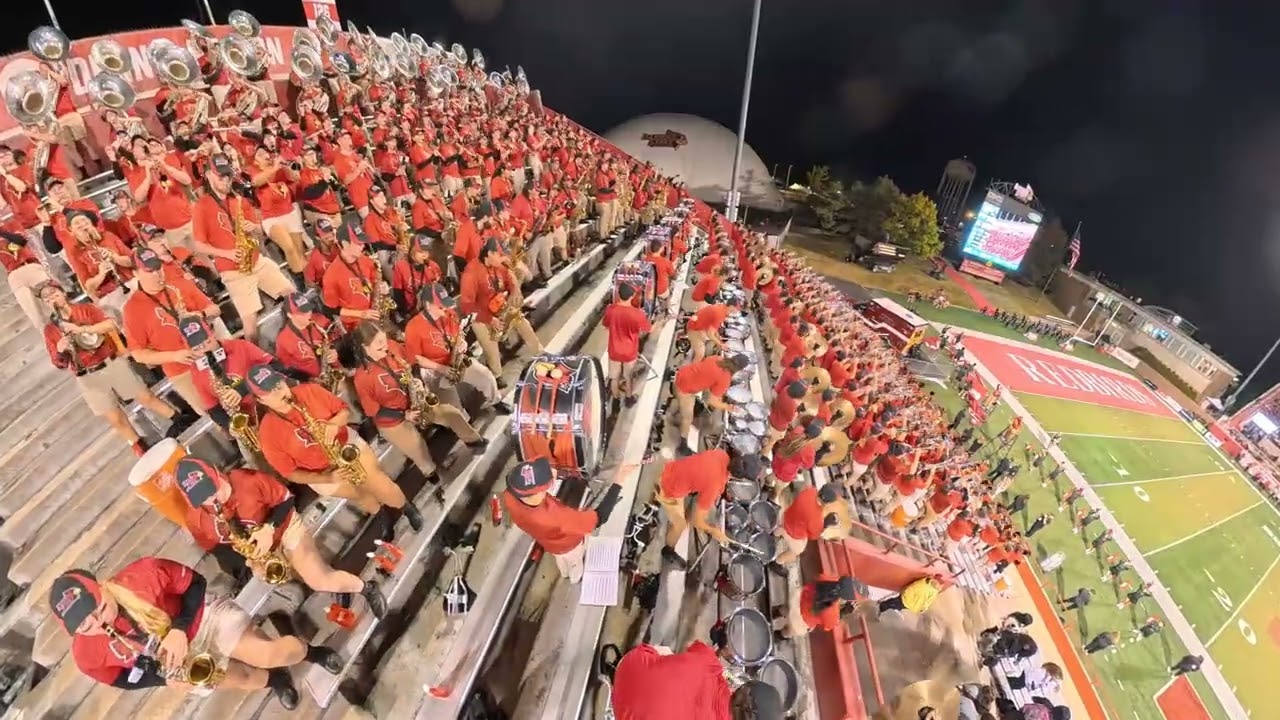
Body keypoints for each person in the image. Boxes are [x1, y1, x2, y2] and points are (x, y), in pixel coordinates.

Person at [48, 559, 343, 709]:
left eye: (99, 609)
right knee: (245, 680)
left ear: (100, 586)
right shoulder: (85, 655)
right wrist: (163, 678)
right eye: (86, 626)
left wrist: (178, 628)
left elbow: (196, 583)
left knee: (270, 654)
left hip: (202, 619)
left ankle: (312, 652)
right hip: (178, 660)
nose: (99, 624)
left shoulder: (144, 573)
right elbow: (121, 678)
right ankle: (277, 679)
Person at [174, 456, 386, 617]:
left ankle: (366, 588)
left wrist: (268, 528)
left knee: (319, 580)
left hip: (284, 528)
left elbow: (286, 500)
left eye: (213, 489)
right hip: (260, 551)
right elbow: (215, 547)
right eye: (203, 498)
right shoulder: (196, 519)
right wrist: (248, 560)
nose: (213, 499)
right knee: (299, 575)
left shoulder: (248, 480)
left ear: (216, 473)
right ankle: (337, 583)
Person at [247, 364, 424, 536]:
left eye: (279, 384)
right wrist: (326, 478)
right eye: (271, 392)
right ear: (261, 400)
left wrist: (333, 424)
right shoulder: (268, 434)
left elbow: (344, 410)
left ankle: (407, 508)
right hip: (322, 472)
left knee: (378, 482)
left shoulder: (309, 391)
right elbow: (290, 473)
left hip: (347, 446)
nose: (280, 392)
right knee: (360, 495)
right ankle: (382, 515)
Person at [39, 282, 188, 454]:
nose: (53, 299)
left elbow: (110, 324)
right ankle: (140, 448)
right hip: (86, 375)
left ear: (63, 293)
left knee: (145, 397)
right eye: (47, 298)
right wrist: (59, 349)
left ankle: (179, 420)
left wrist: (81, 329)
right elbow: (58, 363)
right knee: (114, 418)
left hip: (109, 361)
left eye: (55, 294)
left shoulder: (85, 308)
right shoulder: (51, 330)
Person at [347, 320, 487, 497]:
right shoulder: (362, 378)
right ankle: (432, 473)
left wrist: (417, 381)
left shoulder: (392, 347)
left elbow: (411, 364)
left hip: (414, 401)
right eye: (379, 344)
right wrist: (403, 414)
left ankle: (474, 441)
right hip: (392, 419)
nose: (385, 346)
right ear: (364, 347)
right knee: (418, 449)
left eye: (384, 340)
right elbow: (373, 410)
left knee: (451, 413)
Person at [191, 154, 295, 344]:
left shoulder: (239, 200)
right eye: (220, 176)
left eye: (227, 176)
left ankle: (296, 338)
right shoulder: (202, 206)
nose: (225, 180)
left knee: (292, 295)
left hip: (256, 260)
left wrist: (254, 228)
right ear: (208, 175)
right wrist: (227, 253)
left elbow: (259, 233)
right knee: (250, 325)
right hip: (233, 270)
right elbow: (198, 245)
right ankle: (256, 359)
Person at [502, 458, 627, 584]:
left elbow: (532, 467)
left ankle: (564, 573)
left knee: (560, 560)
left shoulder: (510, 496)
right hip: (570, 546)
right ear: (536, 494)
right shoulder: (558, 518)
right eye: (546, 485)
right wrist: (618, 482)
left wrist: (550, 472)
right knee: (574, 561)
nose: (552, 474)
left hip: (549, 545)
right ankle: (575, 577)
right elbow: (600, 517)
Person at [610, 641, 784, 719]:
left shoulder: (710, 663)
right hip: (625, 714)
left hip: (629, 668)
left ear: (746, 685)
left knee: (669, 653)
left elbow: (689, 646)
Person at [655, 450, 766, 570]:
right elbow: (696, 521)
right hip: (667, 487)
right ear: (742, 478)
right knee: (680, 524)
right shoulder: (714, 485)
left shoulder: (721, 454)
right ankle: (668, 550)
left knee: (695, 501)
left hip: (673, 468)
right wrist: (713, 531)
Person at [459, 238, 544, 376]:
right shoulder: (471, 272)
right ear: (490, 254)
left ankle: (540, 353)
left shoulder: (498, 266)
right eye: (500, 255)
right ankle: (496, 375)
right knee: (492, 346)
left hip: (498, 308)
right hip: (480, 317)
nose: (504, 258)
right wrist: (489, 320)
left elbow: (509, 279)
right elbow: (467, 306)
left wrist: (515, 289)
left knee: (521, 320)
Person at [671, 353, 750, 455]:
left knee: (688, 406)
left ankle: (678, 415)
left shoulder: (717, 358)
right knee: (688, 418)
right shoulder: (725, 378)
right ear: (739, 369)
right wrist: (728, 407)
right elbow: (711, 401)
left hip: (682, 374)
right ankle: (682, 445)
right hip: (684, 389)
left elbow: (707, 375)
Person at [602, 283, 652, 404]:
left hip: (614, 350)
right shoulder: (637, 314)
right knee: (628, 377)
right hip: (630, 352)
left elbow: (606, 325)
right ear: (632, 296)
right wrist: (660, 323)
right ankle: (629, 398)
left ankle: (615, 398)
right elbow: (647, 329)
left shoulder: (610, 310)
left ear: (619, 294)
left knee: (614, 377)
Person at [771, 574, 860, 640]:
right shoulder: (833, 611)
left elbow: (819, 577)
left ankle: (773, 613)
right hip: (801, 619)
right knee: (791, 631)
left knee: (786, 609)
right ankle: (778, 635)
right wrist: (843, 611)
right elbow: (829, 625)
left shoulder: (830, 579)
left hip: (796, 600)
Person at [874, 574, 945, 616]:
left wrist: (924, 608)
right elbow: (910, 589)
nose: (940, 587)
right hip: (906, 600)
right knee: (893, 604)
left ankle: (883, 606)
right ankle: (881, 607)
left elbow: (929, 601)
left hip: (911, 604)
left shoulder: (934, 591)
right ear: (935, 581)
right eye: (940, 584)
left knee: (896, 605)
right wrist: (906, 598)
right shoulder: (922, 585)